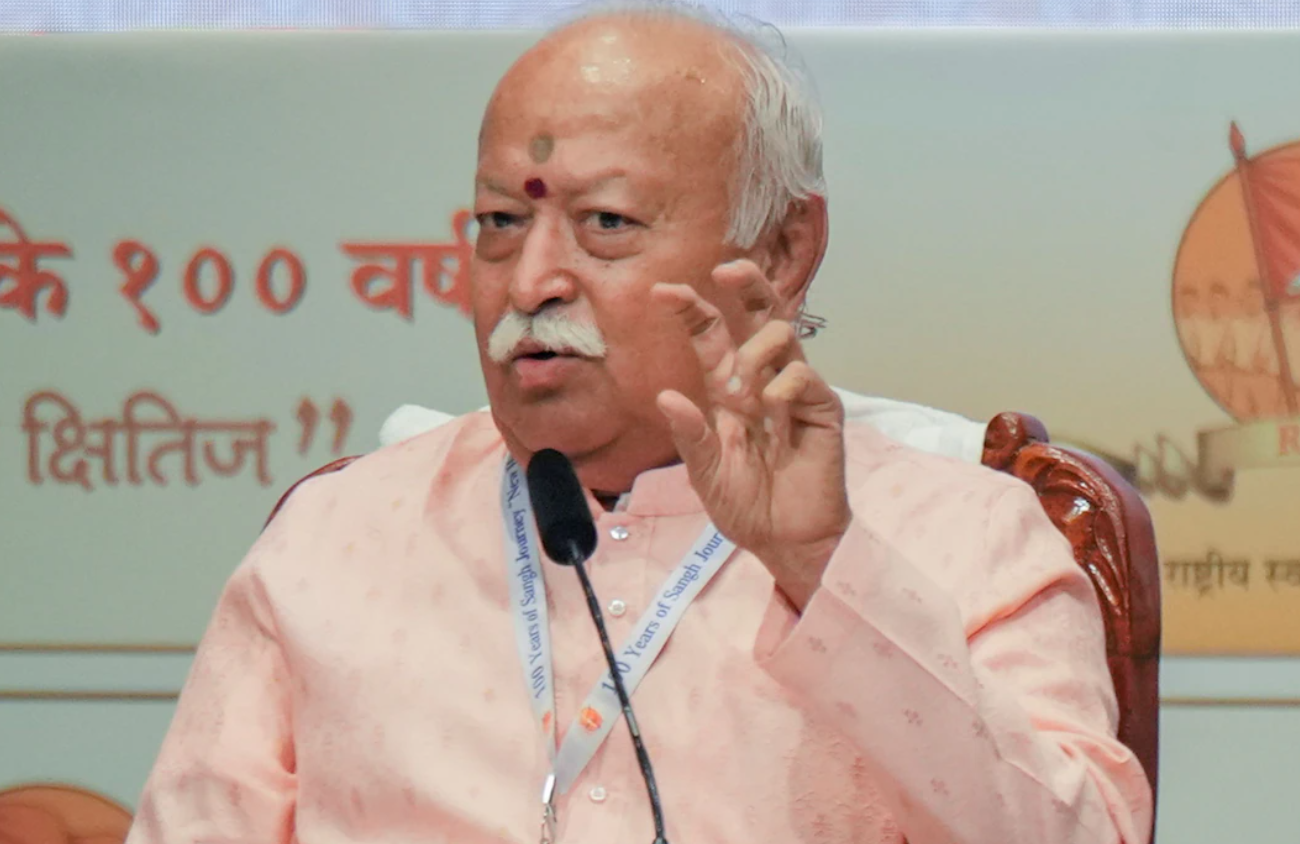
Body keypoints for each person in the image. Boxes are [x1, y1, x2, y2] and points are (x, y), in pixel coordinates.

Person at [124, 3, 1154, 842]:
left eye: (606, 223)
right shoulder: (335, 539)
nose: (530, 281)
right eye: (500, 221)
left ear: (782, 248)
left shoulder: (968, 539)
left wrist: (824, 570)